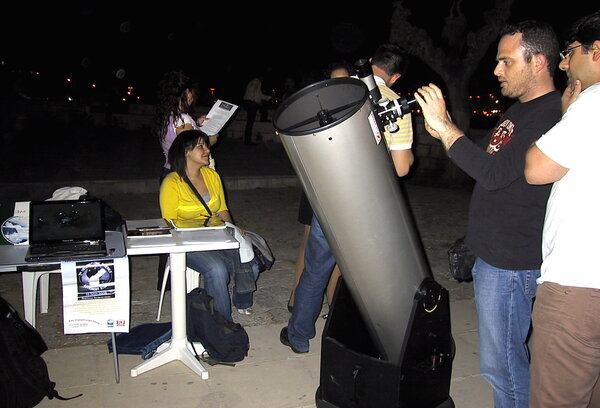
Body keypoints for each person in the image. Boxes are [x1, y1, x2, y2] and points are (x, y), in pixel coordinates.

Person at [414, 21, 561, 408]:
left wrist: (447, 128)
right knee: (501, 363)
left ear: (538, 62)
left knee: (504, 367)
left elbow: (493, 176)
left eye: (505, 61)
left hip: (510, 262)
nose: (496, 70)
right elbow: (482, 158)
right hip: (491, 254)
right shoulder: (519, 110)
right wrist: (442, 131)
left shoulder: (548, 115)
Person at [280, 44, 415, 354]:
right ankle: (374, 337)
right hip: (372, 205)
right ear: (395, 77)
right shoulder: (394, 103)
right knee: (372, 274)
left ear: (368, 63)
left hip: (331, 197)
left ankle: (299, 336)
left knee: (316, 269)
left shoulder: (339, 93)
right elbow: (401, 167)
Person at [524, 11, 600, 408]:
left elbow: (537, 168)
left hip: (580, 287)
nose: (565, 63)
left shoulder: (593, 102)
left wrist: (569, 114)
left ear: (597, 49)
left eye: (570, 52)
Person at [160, 129, 256, 321]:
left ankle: (240, 300)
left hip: (215, 236)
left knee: (249, 263)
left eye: (206, 145)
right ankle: (221, 322)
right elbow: (168, 222)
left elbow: (222, 210)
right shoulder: (172, 182)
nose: (207, 150)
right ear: (186, 152)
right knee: (217, 269)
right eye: (200, 146)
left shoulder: (212, 177)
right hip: (186, 242)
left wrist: (234, 231)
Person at [287, 61, 354, 314]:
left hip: (344, 187)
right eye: (335, 79)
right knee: (308, 243)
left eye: (344, 79)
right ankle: (297, 297)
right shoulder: (314, 108)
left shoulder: (353, 106)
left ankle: (332, 302)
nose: (338, 84)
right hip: (316, 183)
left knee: (340, 249)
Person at [154, 69, 217, 182]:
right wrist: (210, 140)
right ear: (186, 93)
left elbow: (177, 136)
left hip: (171, 171)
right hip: (185, 175)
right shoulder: (183, 120)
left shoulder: (168, 116)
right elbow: (191, 149)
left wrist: (196, 123)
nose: (193, 96)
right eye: (191, 92)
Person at [242, 75, 272, 146]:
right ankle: (247, 141)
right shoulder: (257, 81)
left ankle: (247, 140)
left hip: (249, 102)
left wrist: (268, 97)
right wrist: (254, 100)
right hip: (251, 104)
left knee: (250, 122)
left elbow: (259, 95)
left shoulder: (255, 82)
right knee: (250, 123)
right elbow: (252, 90)